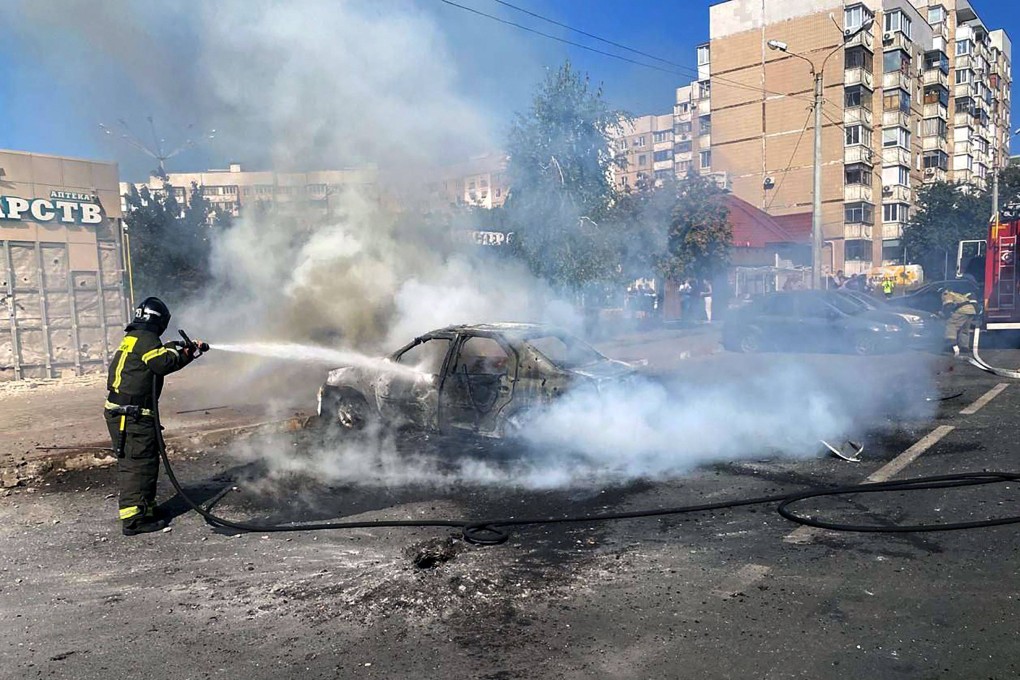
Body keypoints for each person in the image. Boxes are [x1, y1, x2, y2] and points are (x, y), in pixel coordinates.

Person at [104, 297, 206, 536]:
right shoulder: (147, 339)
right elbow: (162, 363)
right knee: (136, 464)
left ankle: (145, 509)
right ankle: (134, 520)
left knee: (147, 461)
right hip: (130, 415)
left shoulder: (135, 338)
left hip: (131, 413)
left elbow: (159, 360)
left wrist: (187, 353)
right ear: (159, 321)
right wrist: (178, 350)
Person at [941, 288, 979, 357]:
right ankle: (964, 347)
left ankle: (950, 346)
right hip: (971, 310)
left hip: (962, 310)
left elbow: (948, 305)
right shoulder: (957, 294)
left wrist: (944, 314)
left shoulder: (946, 294)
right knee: (964, 329)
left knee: (951, 324)